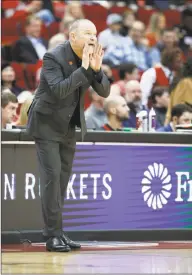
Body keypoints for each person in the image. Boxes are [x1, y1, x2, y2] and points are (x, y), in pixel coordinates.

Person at [27, 19, 110, 252]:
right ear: (73, 36)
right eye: (87, 33)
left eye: (95, 34)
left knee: (62, 183)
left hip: (69, 127)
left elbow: (104, 90)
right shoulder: (53, 57)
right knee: (52, 180)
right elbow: (61, 90)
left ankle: (59, 233)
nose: (93, 38)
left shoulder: (90, 57)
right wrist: (84, 69)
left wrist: (95, 68)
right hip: (46, 125)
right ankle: (51, 236)